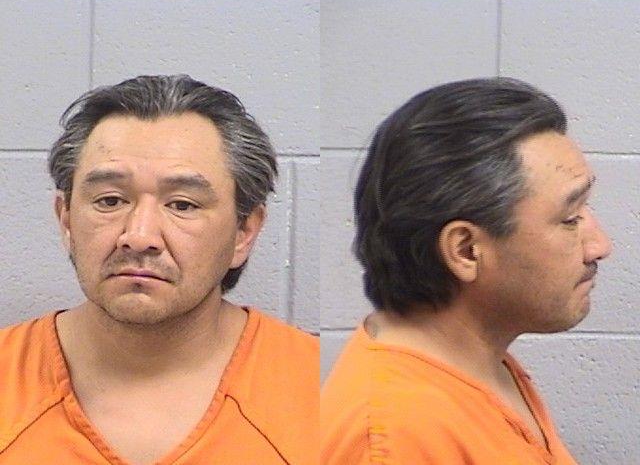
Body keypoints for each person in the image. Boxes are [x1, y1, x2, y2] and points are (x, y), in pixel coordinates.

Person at [0, 75, 318, 465]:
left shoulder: (320, 388)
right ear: (66, 219)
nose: (139, 236)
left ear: (244, 232)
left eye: (182, 205)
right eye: (110, 200)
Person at [321, 77, 612, 464]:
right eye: (570, 218)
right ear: (466, 251)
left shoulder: (476, 365)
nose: (600, 246)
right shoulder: (397, 439)